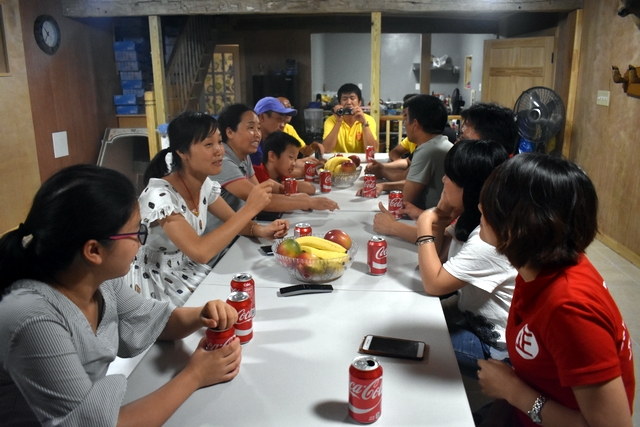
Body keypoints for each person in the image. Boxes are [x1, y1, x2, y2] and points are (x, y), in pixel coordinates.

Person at [0, 164, 242, 426]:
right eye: (137, 232)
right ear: (94, 251)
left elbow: (155, 322)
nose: (141, 241)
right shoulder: (34, 318)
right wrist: (195, 375)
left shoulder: (99, 282)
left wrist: (201, 315)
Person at [476, 154, 634, 427]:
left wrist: (514, 392)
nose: (480, 207)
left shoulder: (569, 307)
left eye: (490, 206)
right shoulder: (537, 267)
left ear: (518, 226)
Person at [127, 111, 288, 306]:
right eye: (208, 144)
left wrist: (262, 230)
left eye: (219, 142)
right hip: (156, 280)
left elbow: (234, 221)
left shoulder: (204, 185)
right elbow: (200, 252)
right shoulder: (160, 196)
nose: (219, 151)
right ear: (182, 152)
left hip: (185, 269)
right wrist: (250, 208)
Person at [411, 140, 514, 380]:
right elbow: (436, 259)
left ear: (470, 188)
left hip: (497, 348)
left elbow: (433, 284)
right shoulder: (473, 218)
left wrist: (425, 222)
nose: (443, 180)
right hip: (472, 320)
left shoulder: (487, 239)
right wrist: (440, 219)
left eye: (450, 177)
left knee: (416, 337)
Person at [207, 104, 339, 232]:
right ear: (230, 132)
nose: (257, 134)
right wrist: (308, 202)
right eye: (251, 128)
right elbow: (260, 201)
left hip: (240, 229)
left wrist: (296, 197)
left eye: (259, 128)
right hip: (221, 239)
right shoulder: (223, 161)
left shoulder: (244, 157)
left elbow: (260, 193)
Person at [359, 94, 452, 211]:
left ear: (415, 124)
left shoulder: (427, 151)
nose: (404, 124)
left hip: (429, 216)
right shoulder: (442, 143)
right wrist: (384, 185)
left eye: (405, 119)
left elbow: (405, 201)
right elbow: (412, 183)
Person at [253, 131, 316, 195]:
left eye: (295, 160)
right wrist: (284, 186)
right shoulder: (256, 173)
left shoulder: (281, 176)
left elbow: (311, 189)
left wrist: (284, 184)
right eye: (291, 157)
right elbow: (275, 188)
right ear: (272, 156)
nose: (294, 163)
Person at [322, 83, 378, 153]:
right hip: (338, 159)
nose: (349, 102)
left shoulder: (368, 120)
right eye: (345, 99)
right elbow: (326, 149)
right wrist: (338, 122)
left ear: (359, 102)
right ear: (339, 103)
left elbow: (372, 151)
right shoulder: (331, 120)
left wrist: (364, 123)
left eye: (352, 98)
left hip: (360, 159)